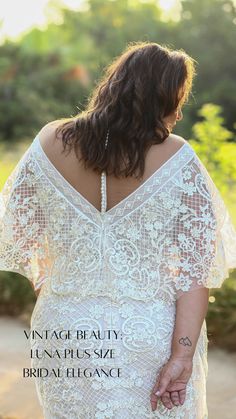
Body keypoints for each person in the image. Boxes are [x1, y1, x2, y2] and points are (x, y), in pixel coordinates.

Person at [0, 41, 236, 418]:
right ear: (163, 100)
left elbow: (18, 227)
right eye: (177, 101)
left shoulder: (49, 142)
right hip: (149, 334)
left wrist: (53, 284)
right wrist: (182, 354)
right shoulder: (178, 157)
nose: (176, 115)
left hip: (64, 326)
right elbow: (197, 268)